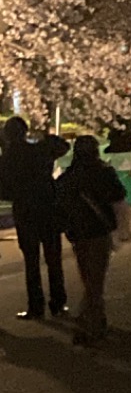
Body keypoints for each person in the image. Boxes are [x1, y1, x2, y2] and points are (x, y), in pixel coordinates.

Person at [55, 135, 126, 345]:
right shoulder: (103, 172)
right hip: (98, 231)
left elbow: (60, 205)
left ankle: (95, 320)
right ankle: (90, 326)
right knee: (95, 281)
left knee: (89, 277)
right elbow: (118, 196)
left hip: (77, 233)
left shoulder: (68, 177)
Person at [0, 117, 69, 320]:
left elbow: (3, 190)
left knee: (31, 261)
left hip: (25, 210)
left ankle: (36, 306)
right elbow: (62, 146)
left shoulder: (7, 159)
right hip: (47, 207)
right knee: (53, 258)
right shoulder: (39, 150)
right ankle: (58, 302)